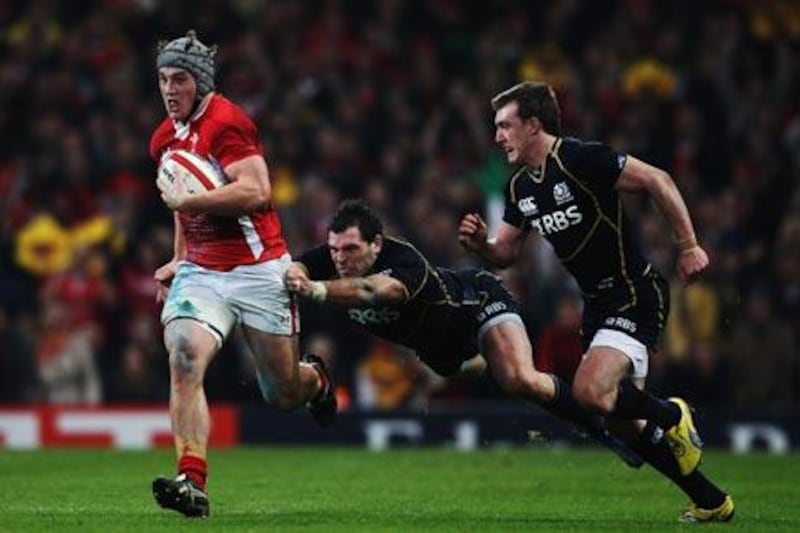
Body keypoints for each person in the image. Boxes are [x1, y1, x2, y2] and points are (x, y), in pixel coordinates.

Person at [458, 81, 734, 523]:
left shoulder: (581, 159)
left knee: (590, 393)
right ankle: (711, 500)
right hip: (598, 305)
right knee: (626, 424)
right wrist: (480, 246)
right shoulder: (520, 189)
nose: (497, 136)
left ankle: (672, 412)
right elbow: (506, 253)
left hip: (634, 292)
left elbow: (657, 180)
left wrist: (688, 246)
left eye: (505, 126)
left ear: (533, 125)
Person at [285, 199, 643, 466]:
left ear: (376, 244)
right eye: (334, 250)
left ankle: (602, 428)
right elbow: (299, 263)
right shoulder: (332, 258)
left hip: (477, 303)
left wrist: (314, 289)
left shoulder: (404, 263)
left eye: (350, 249)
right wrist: (297, 273)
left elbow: (371, 292)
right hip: (440, 352)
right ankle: (498, 367)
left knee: (520, 380)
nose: (340, 259)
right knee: (457, 370)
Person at [149, 30, 336, 518]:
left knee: (282, 393)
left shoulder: (228, 123)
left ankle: (316, 380)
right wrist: (178, 257)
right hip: (202, 272)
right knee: (184, 358)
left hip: (259, 270)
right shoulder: (163, 138)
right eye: (164, 79)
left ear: (202, 82)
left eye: (181, 80)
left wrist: (190, 201)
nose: (170, 90)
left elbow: (256, 191)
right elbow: (179, 204)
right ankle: (191, 479)